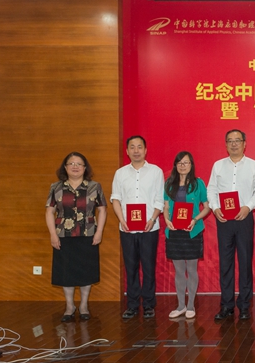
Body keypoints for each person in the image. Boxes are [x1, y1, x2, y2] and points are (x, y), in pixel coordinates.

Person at [208, 129, 255, 321]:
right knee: (226, 263)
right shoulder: (218, 165)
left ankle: (245, 305)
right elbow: (211, 189)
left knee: (245, 262)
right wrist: (215, 208)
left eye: (237, 140)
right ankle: (227, 305)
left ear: (244, 143)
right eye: (230, 141)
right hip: (223, 219)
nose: (234, 144)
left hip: (244, 218)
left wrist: (248, 207)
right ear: (225, 144)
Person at [46, 152, 107, 322]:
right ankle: (69, 306)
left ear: (85, 168)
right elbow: (49, 211)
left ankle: (84, 306)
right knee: (66, 272)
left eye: (79, 164)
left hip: (88, 234)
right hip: (63, 236)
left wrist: (99, 232)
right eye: (71, 163)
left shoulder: (94, 186)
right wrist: (53, 234)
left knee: (86, 271)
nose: (75, 166)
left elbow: (102, 210)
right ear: (65, 167)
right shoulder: (56, 187)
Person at [111, 135, 164, 319]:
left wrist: (153, 219)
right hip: (127, 228)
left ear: (145, 150)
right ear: (127, 151)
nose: (136, 150)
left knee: (148, 266)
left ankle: (148, 304)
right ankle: (132, 304)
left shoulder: (156, 172)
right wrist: (122, 219)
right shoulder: (120, 173)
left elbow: (159, 199)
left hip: (150, 227)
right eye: (132, 147)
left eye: (139, 147)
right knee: (131, 267)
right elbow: (115, 198)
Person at [163, 151, 211, 320]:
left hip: (192, 231)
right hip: (174, 231)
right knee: (178, 270)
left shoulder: (198, 183)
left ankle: (190, 305)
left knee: (191, 269)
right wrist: (166, 220)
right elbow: (166, 206)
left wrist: (195, 219)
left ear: (191, 165)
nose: (183, 166)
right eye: (180, 163)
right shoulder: (169, 183)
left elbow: (207, 207)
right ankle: (180, 305)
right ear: (175, 165)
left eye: (186, 163)